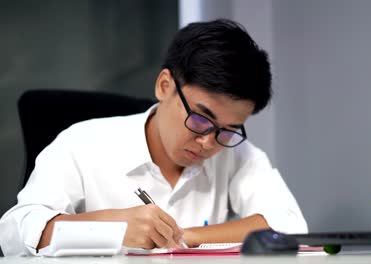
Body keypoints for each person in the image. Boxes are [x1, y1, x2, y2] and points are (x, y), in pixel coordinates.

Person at [0, 19, 308, 256]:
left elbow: (290, 226)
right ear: (164, 86)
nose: (209, 143)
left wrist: (187, 236)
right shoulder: (81, 142)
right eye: (201, 119)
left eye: (228, 129)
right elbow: (14, 232)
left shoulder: (237, 154)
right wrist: (113, 228)